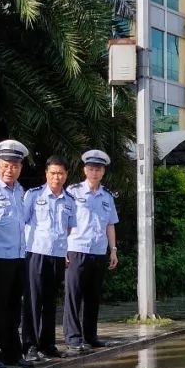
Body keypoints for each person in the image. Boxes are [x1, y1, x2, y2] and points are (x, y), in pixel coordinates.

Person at [63, 149, 119, 354]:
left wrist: (113, 250)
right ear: (85, 170)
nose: (94, 173)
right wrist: (63, 247)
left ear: (103, 172)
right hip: (76, 248)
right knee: (73, 295)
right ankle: (72, 338)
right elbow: (65, 221)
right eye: (91, 169)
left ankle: (91, 336)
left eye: (98, 169)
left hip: (98, 250)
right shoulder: (73, 191)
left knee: (93, 296)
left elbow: (111, 224)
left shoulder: (107, 197)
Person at [0, 139, 31, 368]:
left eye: (15, 165)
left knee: (13, 308)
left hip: (18, 257)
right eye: (6, 165)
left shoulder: (21, 191)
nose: (10, 170)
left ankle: (13, 353)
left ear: (20, 167)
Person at [21, 155, 76, 362]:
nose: (57, 177)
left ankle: (48, 344)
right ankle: (30, 345)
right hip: (36, 252)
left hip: (57, 255)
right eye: (53, 173)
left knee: (50, 302)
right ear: (46, 174)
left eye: (60, 173)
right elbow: (24, 221)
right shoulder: (33, 195)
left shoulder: (69, 200)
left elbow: (69, 227)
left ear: (66, 175)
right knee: (33, 300)